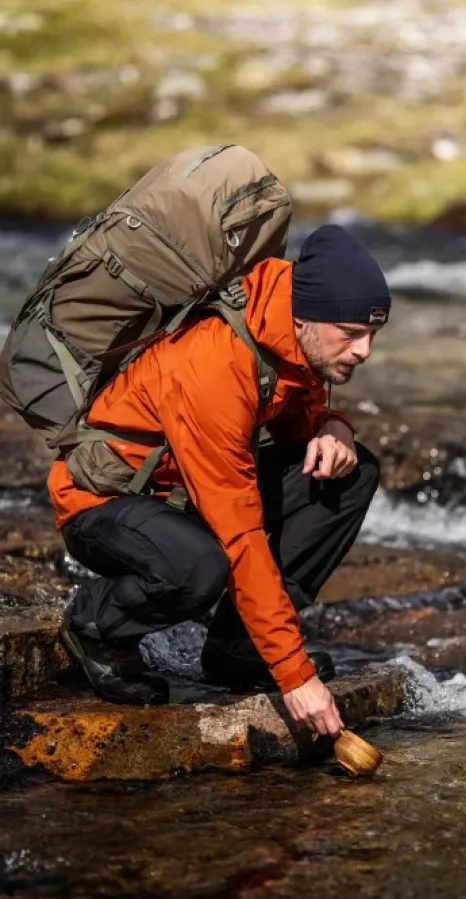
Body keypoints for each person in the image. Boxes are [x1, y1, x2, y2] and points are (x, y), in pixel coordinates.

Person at [49, 224, 390, 739]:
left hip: (181, 495)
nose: (364, 351)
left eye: (372, 335)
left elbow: (297, 411)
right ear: (305, 319)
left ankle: (239, 650)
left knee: (352, 470)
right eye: (351, 334)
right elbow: (239, 534)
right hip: (106, 502)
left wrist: (330, 425)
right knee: (200, 565)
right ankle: (96, 624)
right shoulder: (213, 365)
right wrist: (294, 675)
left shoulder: (284, 330)